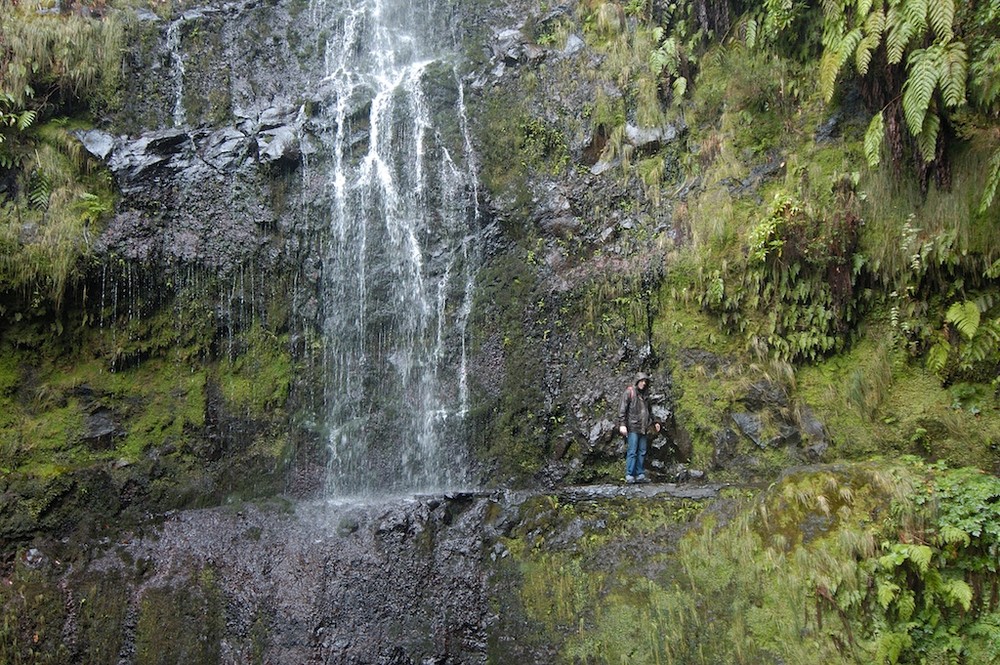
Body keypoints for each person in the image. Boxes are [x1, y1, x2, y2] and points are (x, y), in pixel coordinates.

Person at [618, 372, 660, 484]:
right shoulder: (629, 392)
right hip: (633, 427)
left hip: (643, 427)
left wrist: (655, 421)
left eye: (645, 381)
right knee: (632, 451)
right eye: (642, 381)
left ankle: (640, 474)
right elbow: (622, 409)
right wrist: (622, 424)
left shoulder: (645, 395)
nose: (644, 383)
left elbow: (649, 411)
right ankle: (630, 474)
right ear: (637, 381)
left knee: (642, 451)